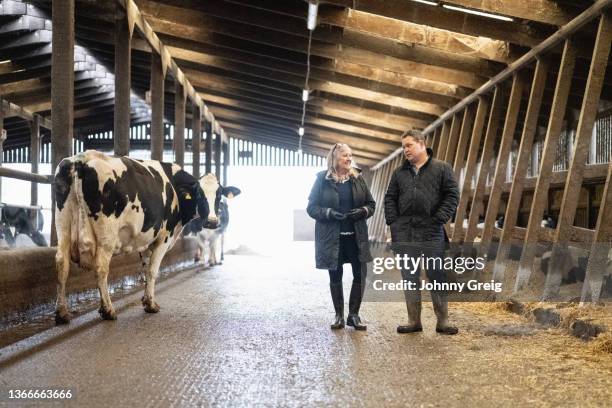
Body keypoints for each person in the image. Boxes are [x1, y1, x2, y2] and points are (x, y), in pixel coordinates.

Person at [384, 130, 459, 335]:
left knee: (436, 275)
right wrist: (394, 223)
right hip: (405, 233)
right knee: (409, 276)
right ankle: (413, 320)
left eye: (408, 145)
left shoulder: (442, 168)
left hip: (432, 232)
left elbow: (452, 196)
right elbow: (390, 198)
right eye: (403, 147)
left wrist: (438, 219)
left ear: (421, 144)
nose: (405, 150)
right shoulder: (399, 173)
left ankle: (443, 321)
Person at [307, 143, 376, 331]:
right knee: (335, 274)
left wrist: (362, 211)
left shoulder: (358, 178)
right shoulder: (322, 179)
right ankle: (339, 316)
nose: (349, 158)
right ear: (334, 158)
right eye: (345, 155)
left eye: (350, 155)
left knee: (360, 275)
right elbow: (311, 208)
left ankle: (354, 315)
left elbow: (371, 204)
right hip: (332, 238)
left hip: (356, 237)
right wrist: (328, 213)